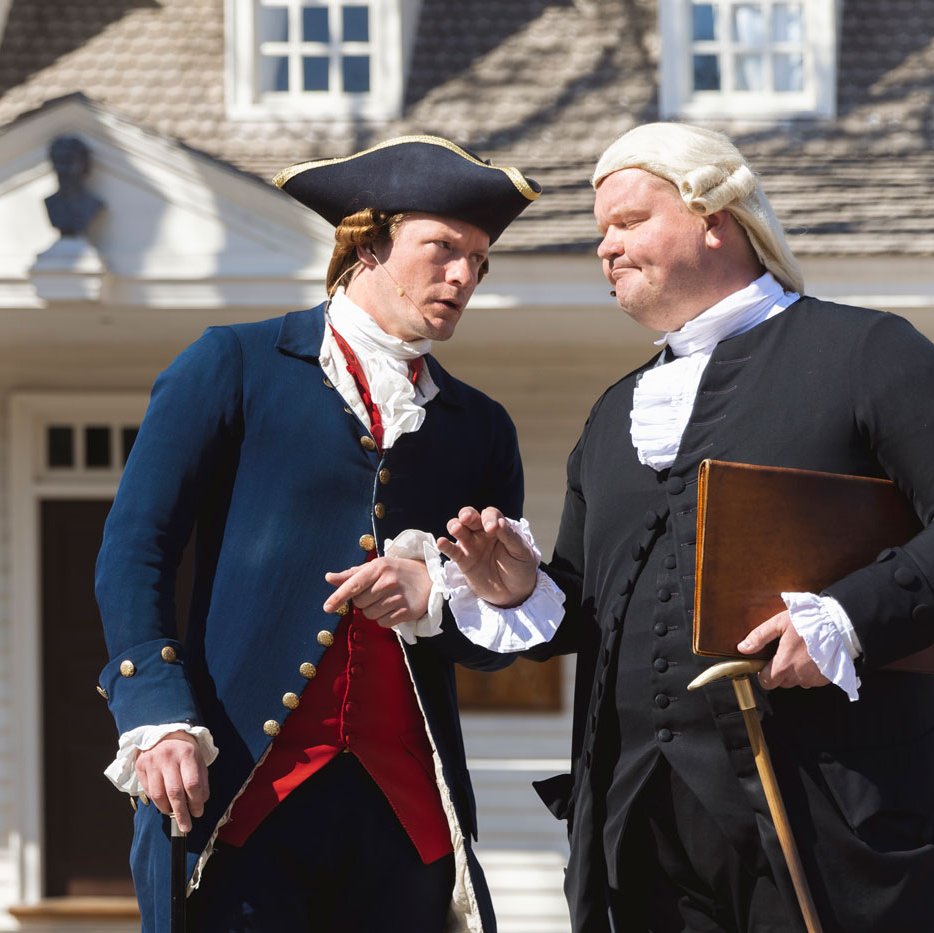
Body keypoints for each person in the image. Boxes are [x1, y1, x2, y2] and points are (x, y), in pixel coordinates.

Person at [438, 122, 934, 932]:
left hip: (831, 822)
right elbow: (589, 604)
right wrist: (519, 588)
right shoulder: (611, 416)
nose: (605, 247)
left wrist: (847, 616)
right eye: (602, 230)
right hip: (638, 833)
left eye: (629, 221)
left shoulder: (867, 353)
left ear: (717, 218)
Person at [94, 135, 544, 932]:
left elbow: (482, 647)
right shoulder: (232, 364)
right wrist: (154, 711)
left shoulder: (482, 429)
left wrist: (465, 595)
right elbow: (137, 549)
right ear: (367, 245)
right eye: (443, 249)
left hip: (407, 817)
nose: (465, 277)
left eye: (480, 261)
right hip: (243, 790)